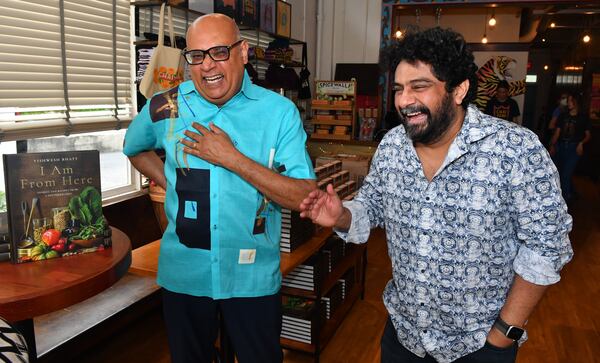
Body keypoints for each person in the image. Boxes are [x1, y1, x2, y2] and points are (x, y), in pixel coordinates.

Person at [300, 27, 573, 363]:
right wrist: (341, 214)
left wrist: (506, 332)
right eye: (399, 89)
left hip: (479, 346)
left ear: (459, 90)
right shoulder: (392, 146)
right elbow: (372, 206)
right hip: (404, 338)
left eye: (419, 87)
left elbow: (547, 244)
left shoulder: (515, 150)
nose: (403, 100)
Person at [124, 13, 315, 363]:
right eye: (197, 56)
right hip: (185, 275)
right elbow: (133, 147)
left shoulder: (279, 113)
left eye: (219, 52)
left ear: (243, 52)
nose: (207, 65)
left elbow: (304, 195)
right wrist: (171, 182)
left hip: (252, 278)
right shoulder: (167, 105)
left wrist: (231, 157)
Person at [549, 94, 592, 202]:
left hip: (574, 149)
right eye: (567, 101)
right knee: (559, 173)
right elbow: (557, 133)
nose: (568, 103)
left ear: (576, 102)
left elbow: (588, 135)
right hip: (561, 147)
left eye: (570, 101)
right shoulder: (563, 116)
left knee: (565, 175)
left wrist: (581, 143)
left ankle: (565, 201)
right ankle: (570, 193)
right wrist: (552, 145)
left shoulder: (583, 117)